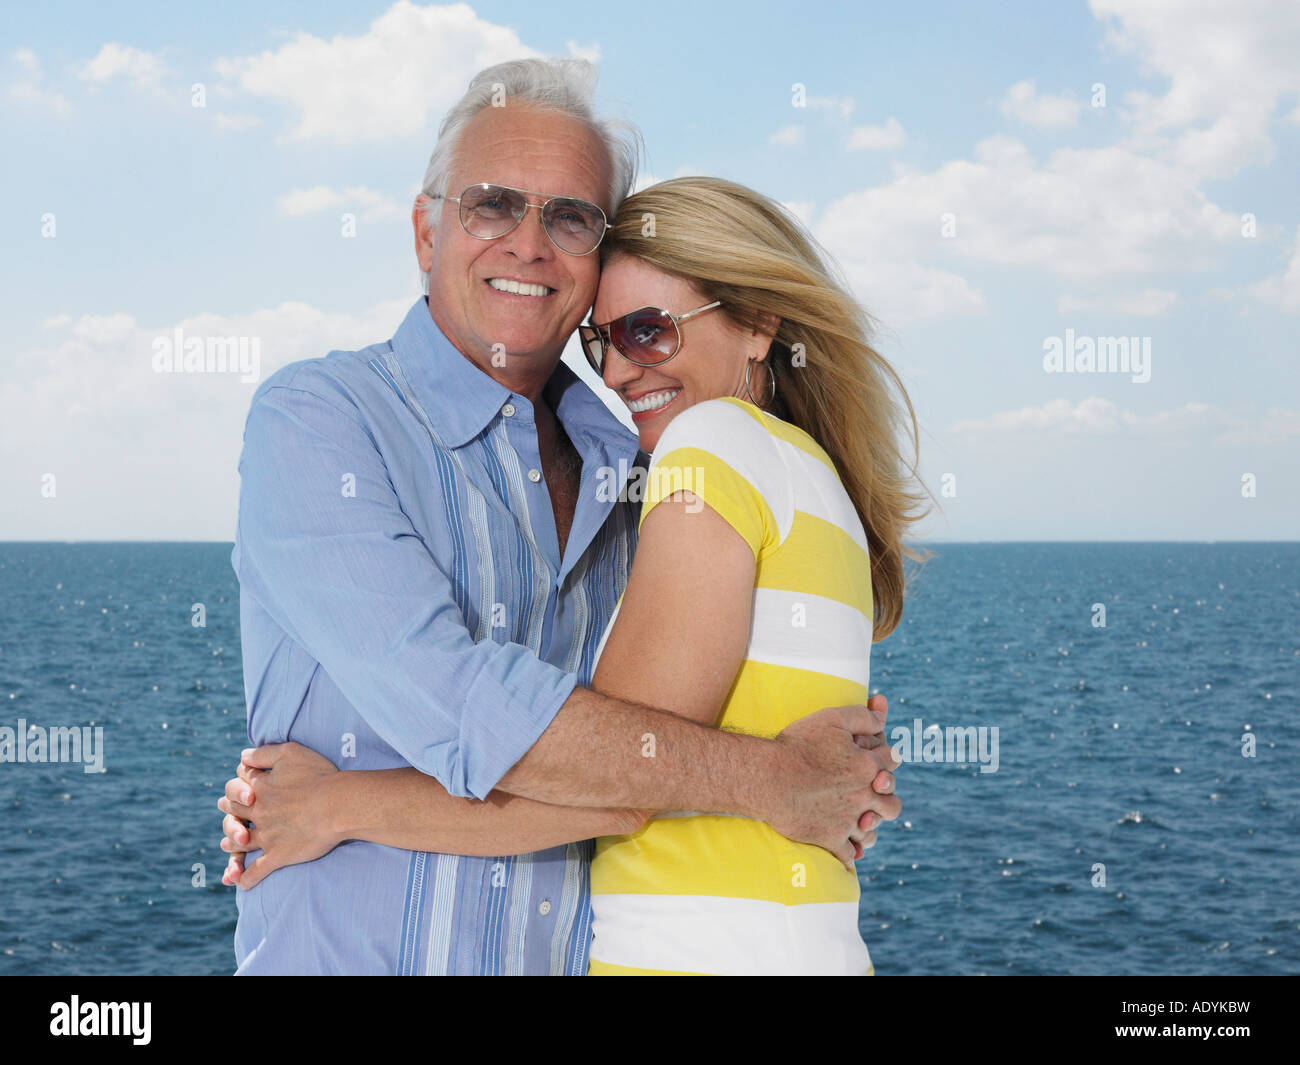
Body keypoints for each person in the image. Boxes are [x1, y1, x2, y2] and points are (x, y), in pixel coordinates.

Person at [221, 56, 901, 976]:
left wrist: (340, 803)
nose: (529, 243)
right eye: (492, 203)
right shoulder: (321, 421)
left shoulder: (648, 473)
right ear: (426, 231)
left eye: (571, 216)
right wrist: (775, 777)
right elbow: (460, 702)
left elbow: (626, 769)